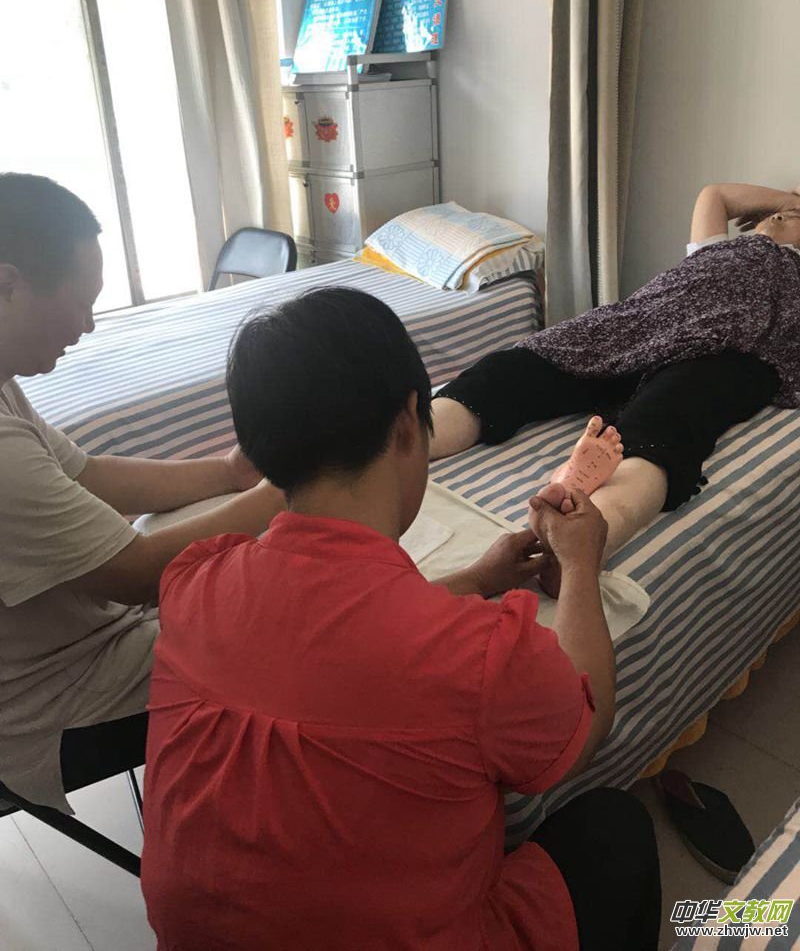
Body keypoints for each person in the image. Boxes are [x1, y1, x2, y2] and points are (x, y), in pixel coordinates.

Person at [141, 286, 661, 951]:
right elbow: (583, 723)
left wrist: (476, 580)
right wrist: (582, 563)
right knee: (613, 826)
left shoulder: (195, 582)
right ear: (408, 425)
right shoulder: (480, 655)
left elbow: (325, 643)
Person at [0, 173, 284, 812]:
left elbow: (84, 474)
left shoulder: (4, 384)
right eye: (81, 304)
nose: (88, 326)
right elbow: (135, 575)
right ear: (8, 284)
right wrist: (283, 491)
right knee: (292, 630)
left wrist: (230, 473)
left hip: (81, 639)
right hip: (55, 696)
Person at [431, 182, 800, 561]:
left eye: (793, 217)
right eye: (779, 212)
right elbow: (714, 195)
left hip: (733, 350)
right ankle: (407, 443)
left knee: (665, 420)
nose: (780, 216)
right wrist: (788, 202)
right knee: (514, 368)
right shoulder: (716, 249)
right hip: (637, 324)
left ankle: (583, 542)